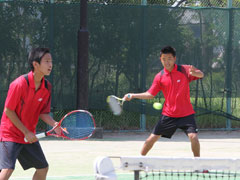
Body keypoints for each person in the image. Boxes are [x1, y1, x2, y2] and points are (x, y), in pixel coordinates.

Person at [123, 46, 204, 157]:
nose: (167, 62)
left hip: (186, 114)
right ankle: (140, 161)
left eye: (169, 58)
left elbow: (201, 74)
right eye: (164, 59)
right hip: (168, 115)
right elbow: (150, 94)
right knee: (152, 138)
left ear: (174, 59)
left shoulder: (184, 70)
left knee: (193, 137)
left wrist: (195, 73)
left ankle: (197, 164)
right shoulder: (159, 77)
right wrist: (133, 95)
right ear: (160, 60)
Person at [0, 47, 61, 180]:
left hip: (29, 136)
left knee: (43, 168)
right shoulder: (19, 84)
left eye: (51, 61)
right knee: (7, 169)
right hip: (10, 134)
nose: (50, 65)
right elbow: (8, 111)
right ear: (35, 64)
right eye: (46, 61)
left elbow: (43, 113)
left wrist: (54, 124)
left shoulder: (47, 87)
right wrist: (26, 132)